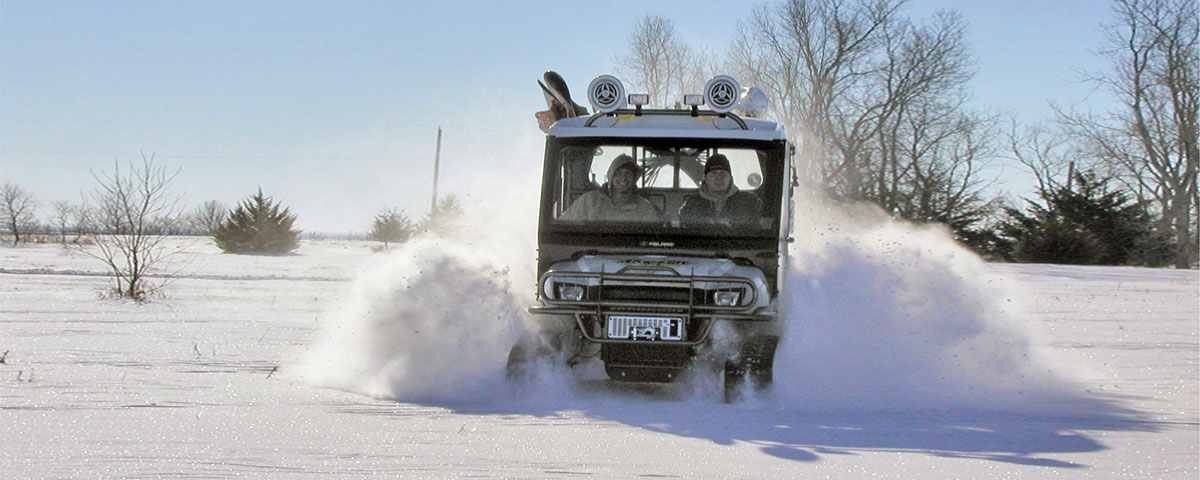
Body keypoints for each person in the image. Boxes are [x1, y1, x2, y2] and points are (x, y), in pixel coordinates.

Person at [560, 154, 662, 222]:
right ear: (611, 176)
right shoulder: (589, 201)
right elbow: (563, 226)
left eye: (628, 173)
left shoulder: (646, 209)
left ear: (635, 178)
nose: (623, 178)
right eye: (618, 173)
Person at [678, 154, 762, 226]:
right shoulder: (691, 204)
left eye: (723, 173)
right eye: (713, 173)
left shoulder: (750, 201)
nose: (718, 178)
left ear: (730, 178)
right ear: (705, 178)